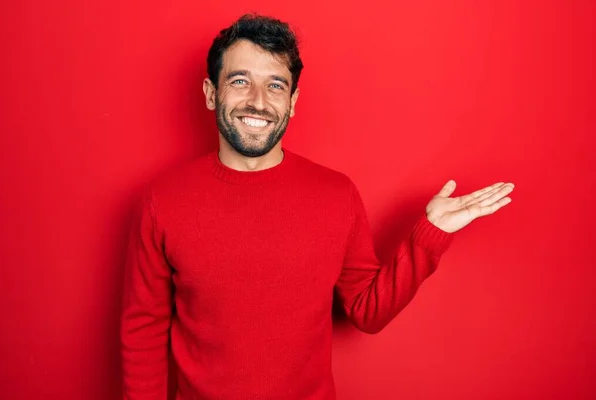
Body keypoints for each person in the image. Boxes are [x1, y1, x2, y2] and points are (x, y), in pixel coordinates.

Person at [120, 13, 514, 400]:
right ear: (211, 93)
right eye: (240, 81)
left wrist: (430, 235)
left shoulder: (336, 194)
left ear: (292, 102)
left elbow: (367, 312)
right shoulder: (164, 200)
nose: (258, 102)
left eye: (276, 86)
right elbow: (144, 331)